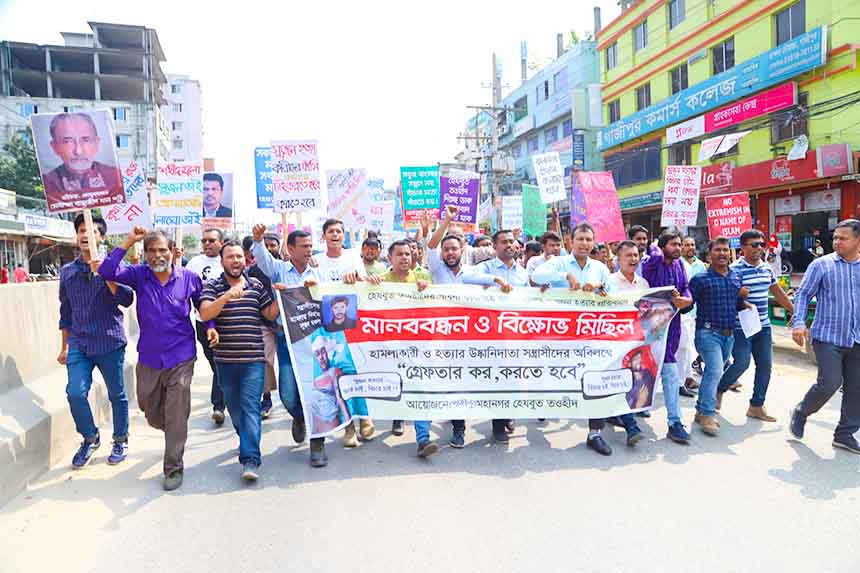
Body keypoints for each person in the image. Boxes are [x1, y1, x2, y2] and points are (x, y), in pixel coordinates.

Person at [99, 226, 218, 491]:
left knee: (176, 412)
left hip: (181, 356)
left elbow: (203, 307)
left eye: (162, 249)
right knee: (149, 409)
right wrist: (130, 239)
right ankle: (174, 428)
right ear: (145, 253)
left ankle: (173, 466)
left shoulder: (189, 278)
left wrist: (210, 328)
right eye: (151, 250)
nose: (157, 255)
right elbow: (106, 271)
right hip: (150, 356)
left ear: (172, 251)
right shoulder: (139, 275)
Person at [533, 223, 631, 456]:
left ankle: (594, 433)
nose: (585, 244)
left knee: (594, 380)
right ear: (571, 241)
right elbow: (536, 276)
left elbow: (613, 295)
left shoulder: (599, 268)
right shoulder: (558, 262)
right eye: (580, 239)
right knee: (556, 376)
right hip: (560, 334)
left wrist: (599, 287)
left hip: (591, 333)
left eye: (589, 240)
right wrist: (564, 275)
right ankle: (543, 404)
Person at [252, 225, 333, 467]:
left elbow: (333, 298)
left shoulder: (320, 272)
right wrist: (258, 240)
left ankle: (317, 443)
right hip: (288, 341)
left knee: (317, 391)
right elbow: (263, 259)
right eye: (304, 246)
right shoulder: (278, 270)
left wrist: (317, 290)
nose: (309, 250)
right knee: (288, 393)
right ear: (291, 249)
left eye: (311, 246)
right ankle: (299, 416)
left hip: (316, 341)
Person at [200, 240, 279, 482]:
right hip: (225, 360)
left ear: (245, 259)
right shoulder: (212, 286)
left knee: (250, 407)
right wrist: (226, 297)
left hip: (253, 359)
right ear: (222, 261)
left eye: (239, 257)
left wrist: (282, 295)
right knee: (234, 409)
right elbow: (205, 314)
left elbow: (269, 314)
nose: (235, 261)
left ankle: (250, 459)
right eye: (230, 257)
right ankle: (245, 435)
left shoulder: (256, 285)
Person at [59, 213, 133, 469]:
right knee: (75, 393)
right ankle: (90, 438)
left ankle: (120, 439)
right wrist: (64, 347)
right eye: (80, 230)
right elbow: (65, 312)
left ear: (101, 237)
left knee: (117, 395)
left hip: (109, 342)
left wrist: (104, 274)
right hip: (79, 344)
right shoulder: (67, 272)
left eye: (90, 231)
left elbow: (126, 299)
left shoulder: (114, 268)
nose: (84, 235)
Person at [789, 219, 860, 454]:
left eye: (843, 238)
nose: (837, 242)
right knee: (830, 382)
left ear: (857, 240)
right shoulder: (821, 265)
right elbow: (803, 295)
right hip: (827, 336)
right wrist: (799, 323)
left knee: (856, 388)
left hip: (857, 338)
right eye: (836, 237)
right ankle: (802, 411)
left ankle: (845, 433)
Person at [716, 230, 794, 422]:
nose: (759, 248)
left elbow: (777, 292)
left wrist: (795, 311)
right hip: (740, 326)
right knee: (742, 363)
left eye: (761, 244)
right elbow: (723, 297)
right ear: (742, 248)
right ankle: (718, 389)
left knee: (765, 366)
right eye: (754, 245)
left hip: (763, 327)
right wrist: (739, 295)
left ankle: (756, 406)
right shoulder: (734, 270)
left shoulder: (767, 268)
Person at [463, 229, 529, 443]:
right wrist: (495, 280)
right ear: (495, 246)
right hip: (492, 333)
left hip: (516, 331)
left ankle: (508, 413)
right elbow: (466, 277)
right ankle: (498, 424)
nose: (509, 245)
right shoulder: (487, 267)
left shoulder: (522, 272)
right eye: (504, 242)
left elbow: (530, 298)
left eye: (512, 242)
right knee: (498, 377)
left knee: (515, 377)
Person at [380, 240, 438, 458]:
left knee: (421, 387)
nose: (405, 257)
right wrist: (365, 283)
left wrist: (427, 290)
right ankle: (395, 416)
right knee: (397, 387)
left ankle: (423, 439)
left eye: (407, 254)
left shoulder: (423, 279)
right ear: (390, 259)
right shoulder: (381, 280)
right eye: (400, 254)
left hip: (418, 345)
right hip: (389, 347)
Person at [689, 237, 751, 437]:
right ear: (709, 254)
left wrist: (744, 303)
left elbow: (734, 303)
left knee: (712, 372)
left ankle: (700, 409)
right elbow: (688, 305)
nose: (722, 253)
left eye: (725, 250)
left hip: (729, 335)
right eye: (718, 250)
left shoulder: (736, 277)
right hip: (707, 333)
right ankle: (708, 414)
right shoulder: (700, 279)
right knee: (715, 371)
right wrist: (679, 302)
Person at [640, 229, 694, 445]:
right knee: (643, 372)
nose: (678, 248)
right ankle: (631, 411)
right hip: (649, 329)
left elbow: (686, 289)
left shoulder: (680, 265)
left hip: (671, 330)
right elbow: (652, 254)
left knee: (671, 375)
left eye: (679, 244)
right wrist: (657, 248)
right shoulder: (653, 262)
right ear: (662, 247)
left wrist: (687, 300)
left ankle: (675, 423)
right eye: (673, 244)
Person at [426, 205, 469, 447]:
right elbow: (430, 245)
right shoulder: (437, 269)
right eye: (446, 249)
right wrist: (446, 221)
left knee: (462, 380)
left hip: (468, 337)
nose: (450, 252)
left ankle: (458, 424)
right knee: (449, 380)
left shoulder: (472, 273)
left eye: (454, 248)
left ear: (462, 250)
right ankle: (456, 424)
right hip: (442, 336)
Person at [185, 228, 227, 425]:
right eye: (204, 241)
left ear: (221, 242)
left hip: (226, 321)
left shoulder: (227, 260)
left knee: (220, 362)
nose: (207, 244)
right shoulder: (194, 263)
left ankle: (218, 406)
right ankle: (224, 392)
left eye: (211, 240)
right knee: (215, 363)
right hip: (202, 321)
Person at [41, 112, 123, 208]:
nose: (78, 151)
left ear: (97, 144)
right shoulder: (48, 182)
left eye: (86, 140)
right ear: (55, 147)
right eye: (68, 141)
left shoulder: (115, 177)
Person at [242, 236, 278, 419]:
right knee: (266, 362)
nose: (270, 249)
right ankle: (266, 398)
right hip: (264, 323)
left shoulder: (284, 268)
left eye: (273, 245)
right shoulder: (251, 272)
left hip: (288, 325)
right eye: (266, 246)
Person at [678, 236, 708, 394]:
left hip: (698, 311)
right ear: (681, 247)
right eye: (686, 245)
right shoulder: (678, 264)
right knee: (684, 346)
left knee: (693, 346)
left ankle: (687, 376)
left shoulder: (700, 265)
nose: (690, 247)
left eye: (692, 245)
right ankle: (684, 378)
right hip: (683, 312)